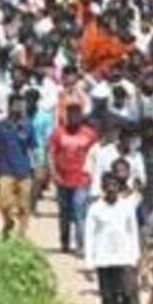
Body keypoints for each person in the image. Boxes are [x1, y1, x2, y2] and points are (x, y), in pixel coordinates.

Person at [85, 171, 141, 304]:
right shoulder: (95, 209)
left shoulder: (126, 206)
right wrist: (89, 262)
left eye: (114, 186)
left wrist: (135, 255)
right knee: (107, 295)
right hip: (104, 258)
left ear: (118, 188)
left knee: (126, 293)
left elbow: (133, 232)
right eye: (108, 187)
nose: (111, 190)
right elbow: (90, 235)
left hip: (124, 257)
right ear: (103, 188)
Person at [49, 101, 98, 254]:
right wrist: (53, 173)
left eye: (76, 113)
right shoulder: (58, 132)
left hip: (82, 179)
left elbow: (96, 156)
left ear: (81, 115)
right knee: (64, 212)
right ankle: (64, 241)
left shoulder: (90, 134)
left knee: (79, 211)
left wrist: (92, 176)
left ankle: (81, 244)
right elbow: (50, 153)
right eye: (70, 113)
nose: (73, 116)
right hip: (62, 179)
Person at [0, 93, 37, 239]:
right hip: (6, 170)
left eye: (21, 104)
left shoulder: (28, 125)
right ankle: (8, 221)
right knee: (3, 204)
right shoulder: (0, 126)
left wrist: (37, 167)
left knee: (24, 206)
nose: (19, 107)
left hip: (24, 171)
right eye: (16, 104)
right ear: (9, 106)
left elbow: (33, 147)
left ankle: (21, 234)